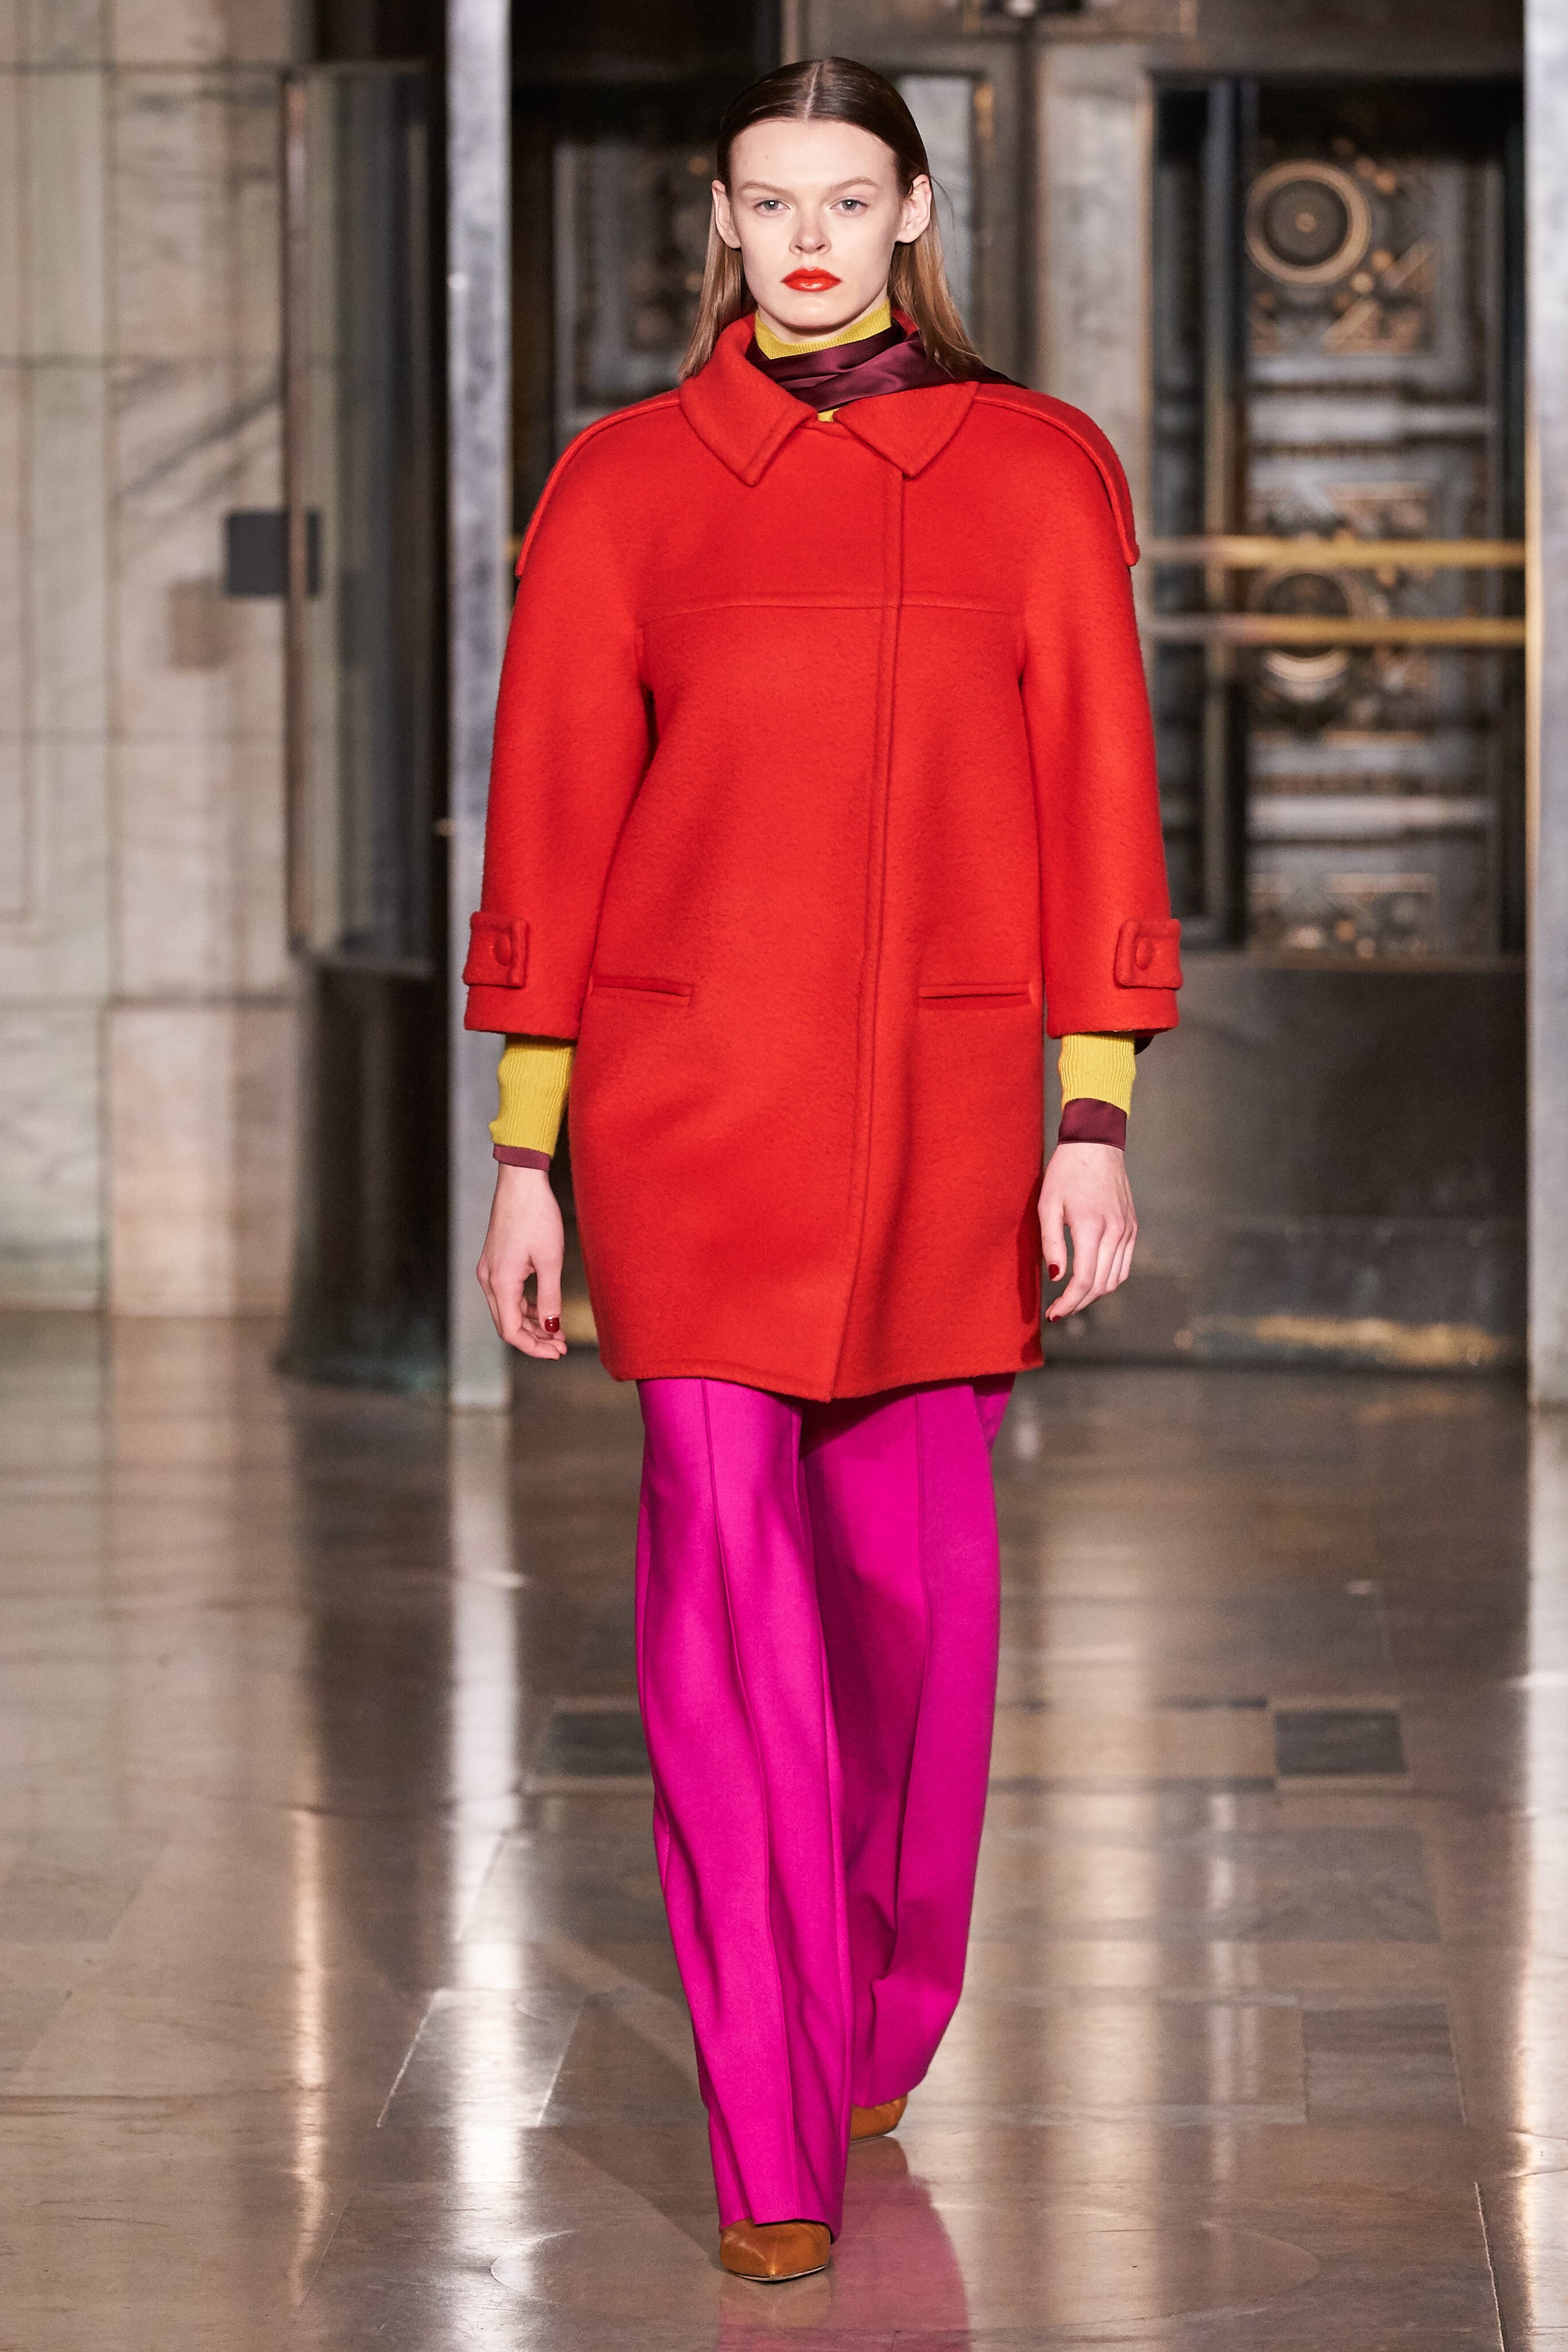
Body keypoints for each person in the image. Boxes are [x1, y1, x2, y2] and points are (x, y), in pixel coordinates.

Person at [468, 56, 1180, 2285]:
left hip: (948, 1117)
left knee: (910, 1613)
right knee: (720, 1615)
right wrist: (524, 1153)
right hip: (684, 1114)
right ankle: (765, 2132)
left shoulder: (1035, 472)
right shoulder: (618, 486)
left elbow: (1095, 801)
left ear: (909, 216)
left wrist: (1089, 1116)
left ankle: (873, 1997)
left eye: (842, 199)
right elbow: (554, 826)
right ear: (717, 217)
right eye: (765, 199)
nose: (801, 239)